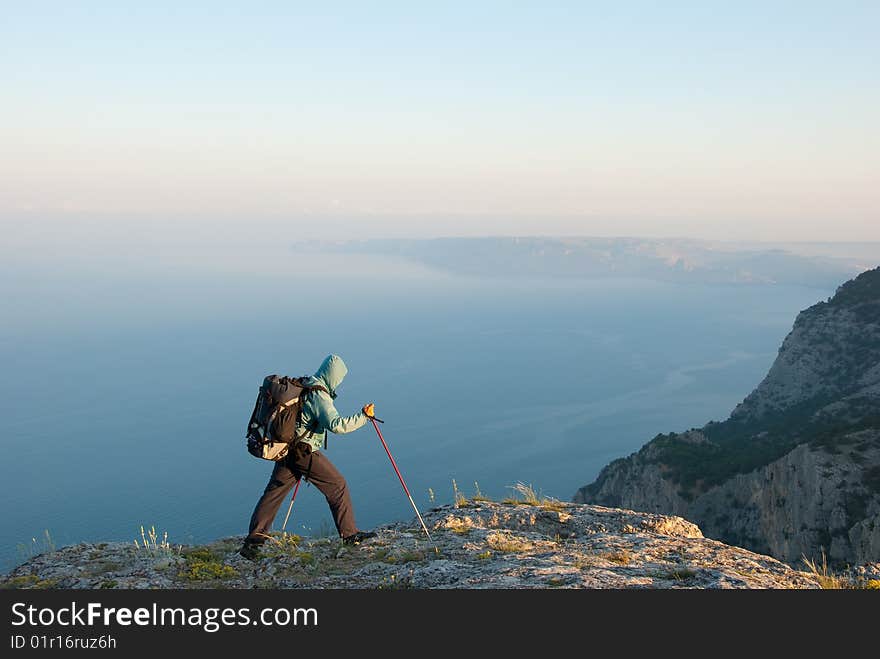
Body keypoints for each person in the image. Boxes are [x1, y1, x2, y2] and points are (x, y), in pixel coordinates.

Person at [239, 354, 377, 560]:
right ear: (334, 376)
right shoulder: (320, 396)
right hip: (304, 452)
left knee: (273, 493)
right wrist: (364, 417)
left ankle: (253, 544)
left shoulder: (306, 383)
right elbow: (337, 425)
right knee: (338, 485)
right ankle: (350, 536)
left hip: (286, 450)